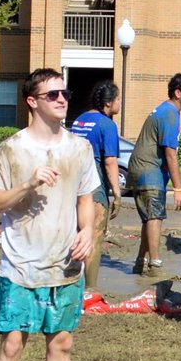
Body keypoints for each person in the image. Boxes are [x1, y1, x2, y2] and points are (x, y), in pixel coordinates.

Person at [0, 69, 100, 361]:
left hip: (64, 264)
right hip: (19, 265)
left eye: (65, 93)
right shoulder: (12, 150)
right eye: (53, 95)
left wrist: (87, 231)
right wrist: (27, 185)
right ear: (33, 102)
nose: (62, 99)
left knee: (62, 343)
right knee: (13, 343)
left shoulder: (79, 147)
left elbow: (85, 198)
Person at [127, 74, 181, 275]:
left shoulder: (165, 110)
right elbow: (170, 153)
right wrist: (177, 190)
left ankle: (141, 263)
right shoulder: (170, 114)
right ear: (178, 93)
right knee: (155, 216)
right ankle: (155, 266)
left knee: (150, 218)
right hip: (149, 172)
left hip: (142, 170)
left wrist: (180, 182)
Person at [70, 82, 122, 273]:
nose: (120, 104)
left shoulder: (79, 120)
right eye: (118, 99)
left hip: (73, 182)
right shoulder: (107, 124)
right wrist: (117, 194)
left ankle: (73, 280)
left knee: (77, 234)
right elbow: (110, 161)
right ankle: (90, 289)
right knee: (93, 237)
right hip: (94, 184)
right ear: (108, 103)